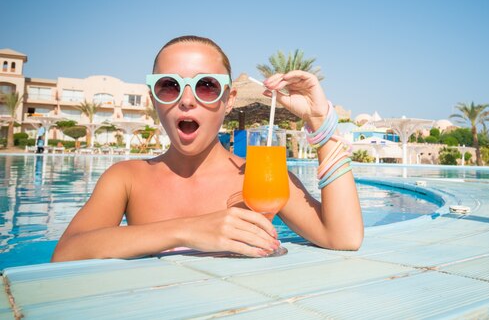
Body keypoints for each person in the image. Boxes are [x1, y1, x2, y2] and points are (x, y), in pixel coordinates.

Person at [52, 35, 363, 261]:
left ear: (228, 100)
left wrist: (321, 124)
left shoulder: (257, 176)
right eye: (169, 85)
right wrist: (189, 230)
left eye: (206, 85)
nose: (187, 99)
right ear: (153, 100)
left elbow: (343, 237)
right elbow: (66, 254)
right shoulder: (126, 178)